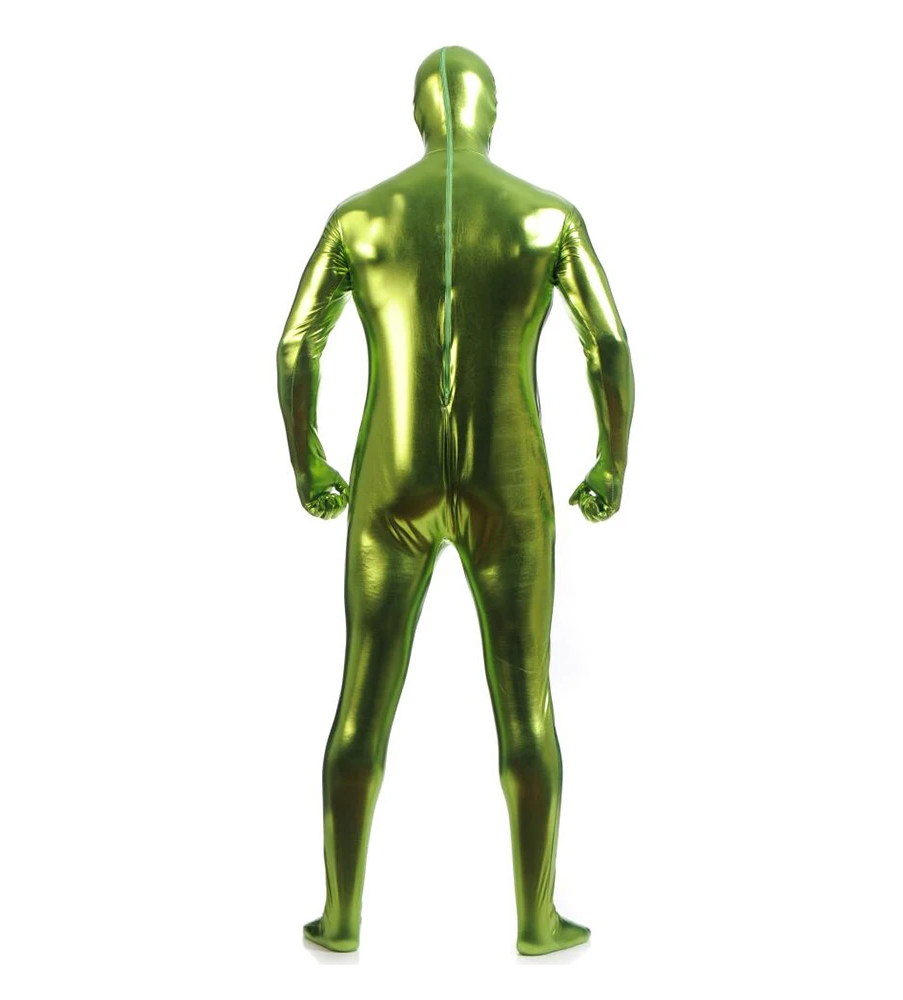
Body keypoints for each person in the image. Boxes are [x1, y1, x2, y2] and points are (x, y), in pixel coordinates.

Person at [277, 45, 635, 955]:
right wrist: (611, 461)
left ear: (420, 115)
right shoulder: (547, 217)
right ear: (490, 112)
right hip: (507, 484)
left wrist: (308, 461)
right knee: (528, 707)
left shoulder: (359, 218)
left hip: (388, 482)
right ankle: (537, 920)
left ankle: (341, 919)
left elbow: (295, 348)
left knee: (360, 701)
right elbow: (609, 348)